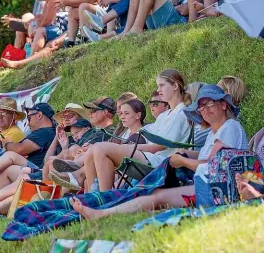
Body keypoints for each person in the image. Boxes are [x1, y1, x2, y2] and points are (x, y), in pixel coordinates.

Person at [69, 84, 248, 220]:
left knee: (156, 197)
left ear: (224, 105)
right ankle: (102, 209)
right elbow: (205, 156)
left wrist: (183, 162)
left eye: (209, 104)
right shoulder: (215, 132)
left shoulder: (229, 127)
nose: (204, 110)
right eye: (201, 107)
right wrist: (182, 154)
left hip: (218, 190)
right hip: (206, 184)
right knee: (154, 196)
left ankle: (102, 210)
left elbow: (213, 165)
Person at [87, 69, 192, 191]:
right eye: (158, 86)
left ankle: (104, 196)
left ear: (175, 86)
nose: (158, 90)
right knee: (96, 148)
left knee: (101, 148)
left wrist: (126, 147)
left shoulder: (181, 113)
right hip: (151, 157)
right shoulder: (166, 114)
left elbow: (158, 146)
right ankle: (92, 192)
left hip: (162, 163)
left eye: (162, 85)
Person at [56, 0, 122, 47]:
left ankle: (85, 39)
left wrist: (69, 1)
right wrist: (69, 2)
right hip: (101, 9)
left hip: (111, 11)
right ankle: (71, 42)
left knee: (84, 7)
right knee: (73, 11)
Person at [113, 0, 187, 38]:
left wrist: (176, 8)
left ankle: (137, 28)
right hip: (162, 19)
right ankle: (127, 30)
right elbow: (173, 3)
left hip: (180, 21)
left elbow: (185, 10)